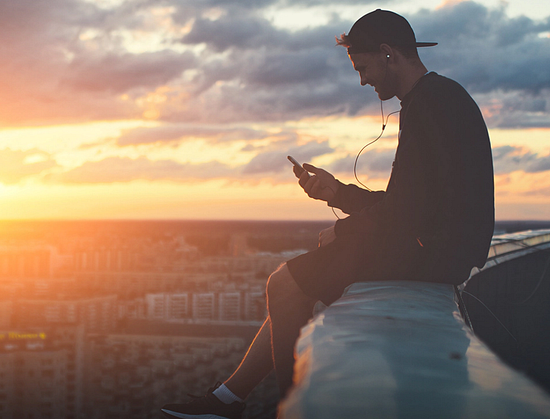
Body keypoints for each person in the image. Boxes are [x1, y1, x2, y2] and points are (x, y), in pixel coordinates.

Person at [161, 9, 494, 419]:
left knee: (283, 285)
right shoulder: (435, 99)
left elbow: (409, 213)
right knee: (296, 281)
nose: (362, 80)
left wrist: (348, 230)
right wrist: (337, 194)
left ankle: (286, 409)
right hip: (439, 248)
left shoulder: (433, 104)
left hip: (435, 254)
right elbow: (409, 203)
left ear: (388, 53)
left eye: (364, 66)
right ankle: (229, 398)